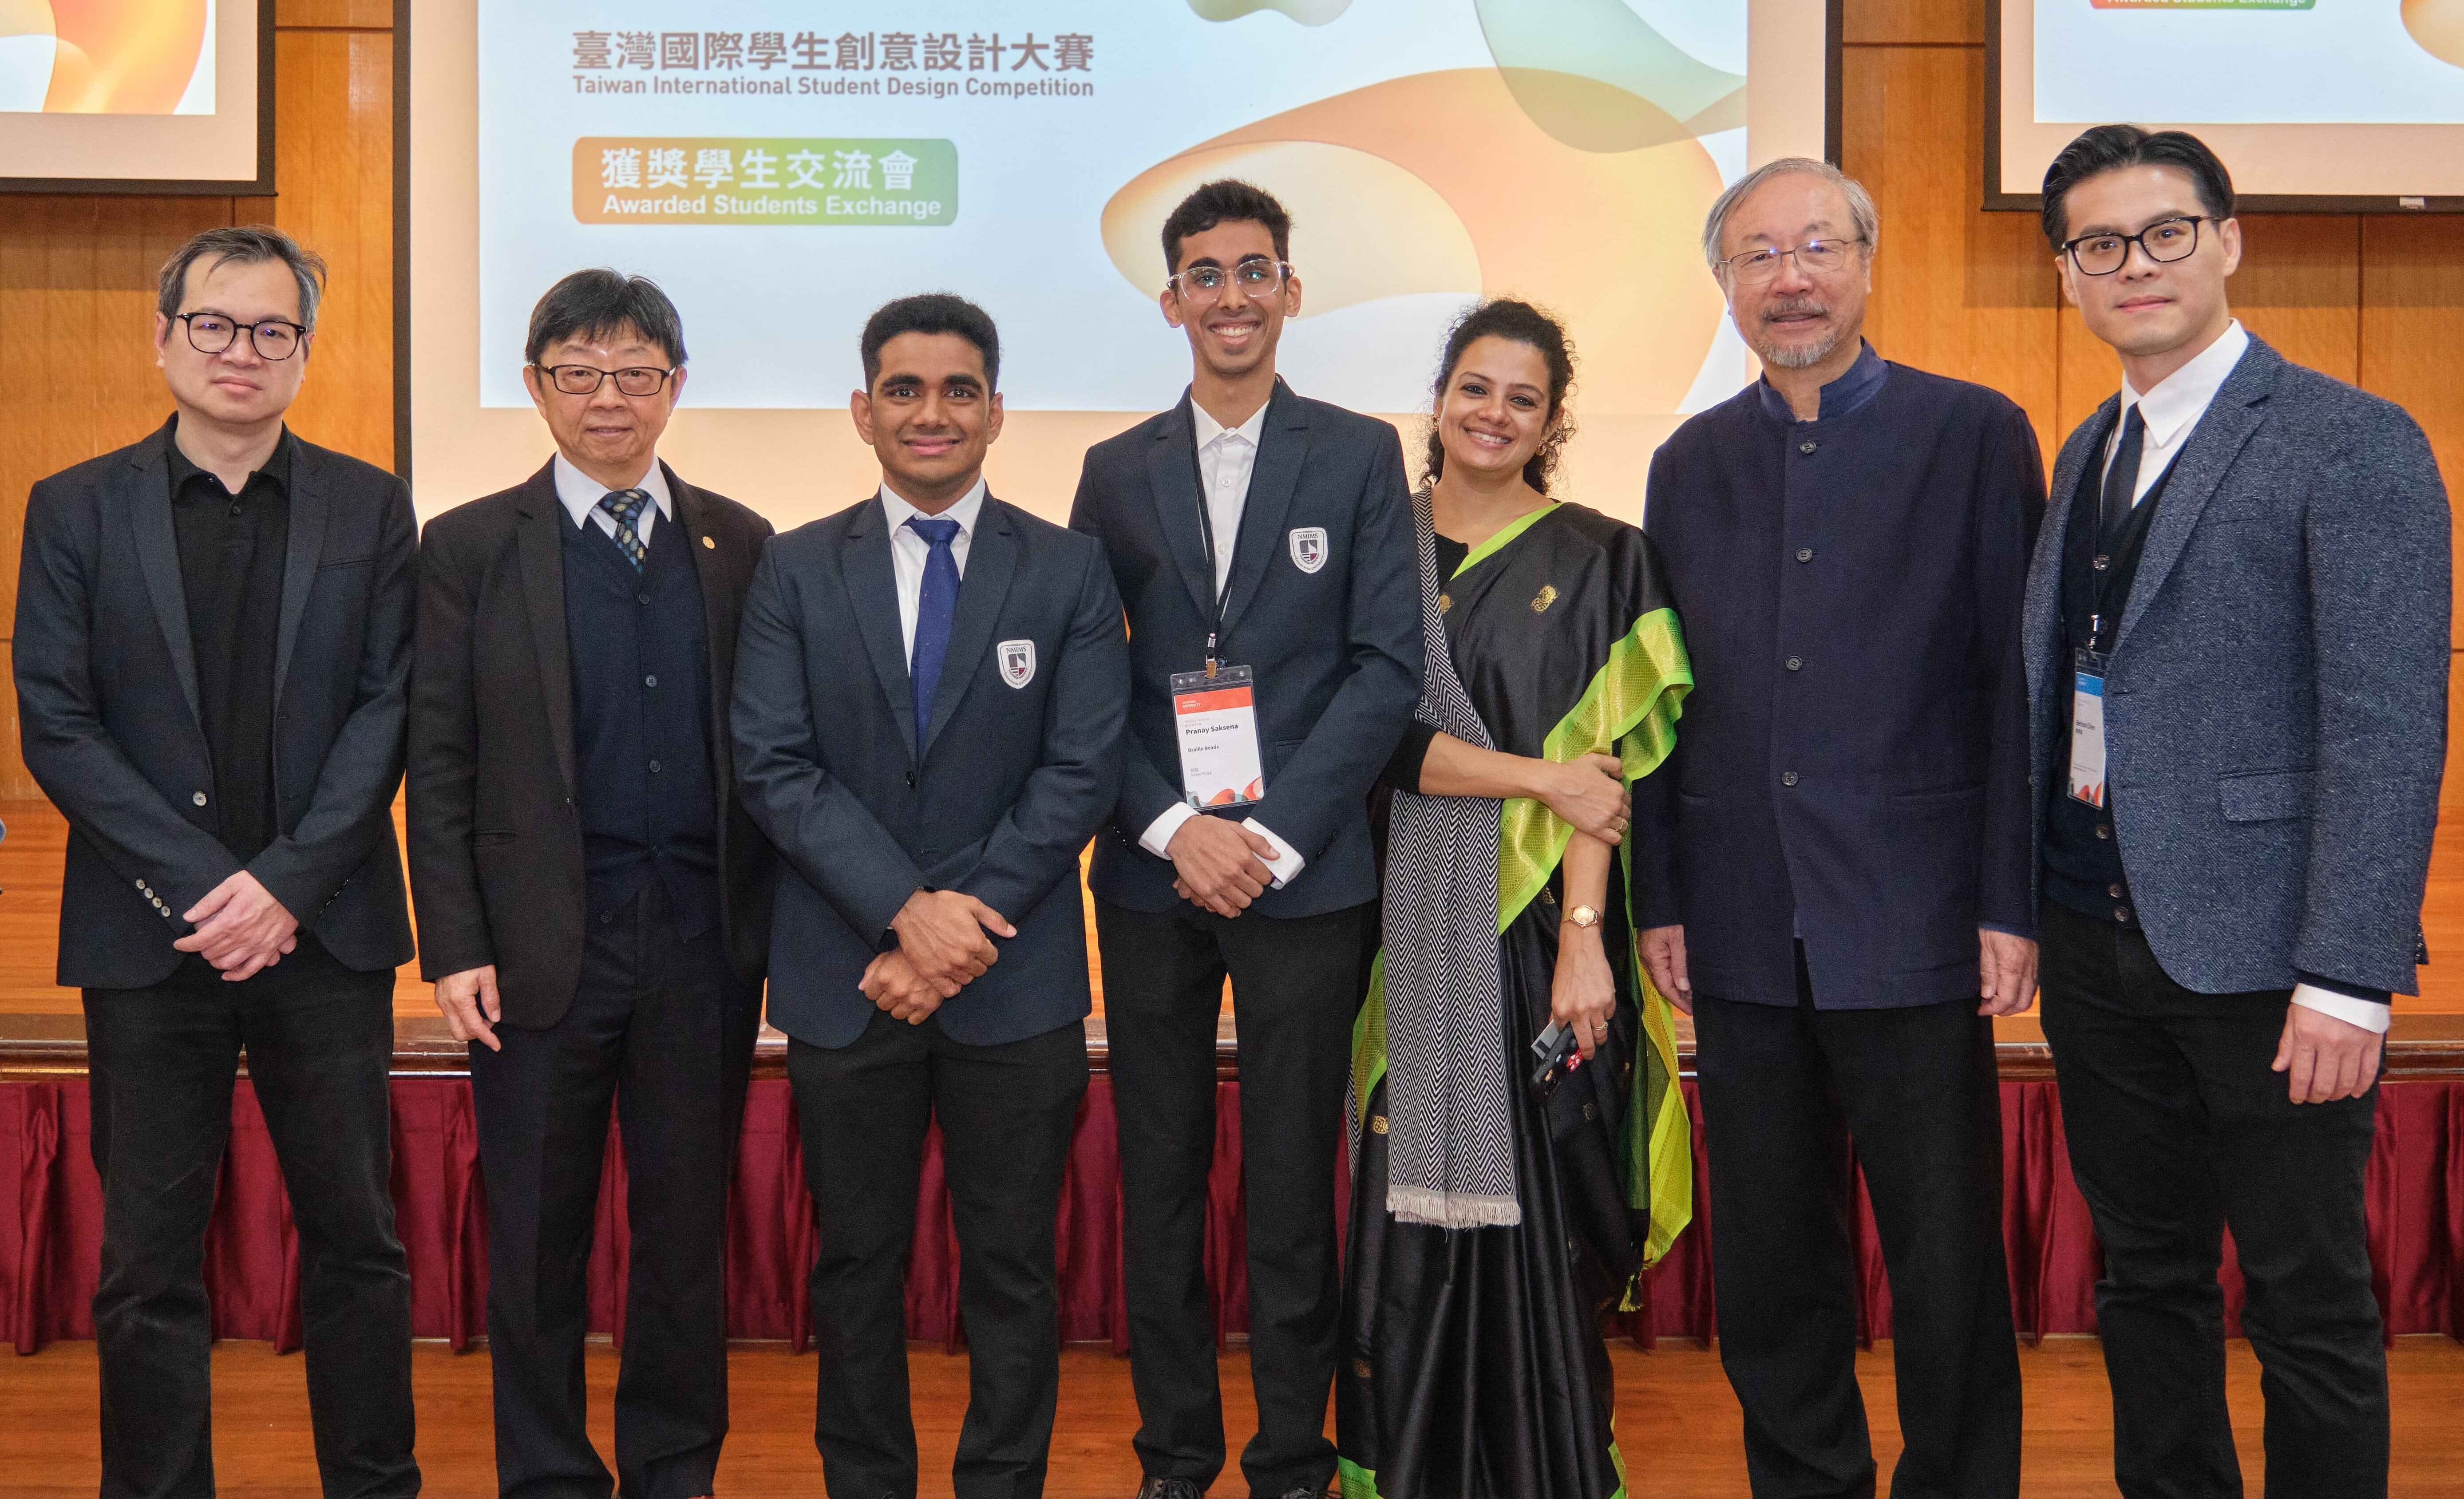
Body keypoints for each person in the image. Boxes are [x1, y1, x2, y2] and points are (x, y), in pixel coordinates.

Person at [2024, 126, 2448, 1498]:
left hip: (2273, 962)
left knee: (2307, 1301)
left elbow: (2388, 721)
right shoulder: (2089, 448)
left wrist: (2351, 974)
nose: (2134, 265)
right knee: (2145, 1280)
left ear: (2228, 241)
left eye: (2165, 233)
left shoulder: (2350, 439)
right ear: (2068, 276)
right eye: (2099, 244)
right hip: (2093, 940)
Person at [1633, 157, 2042, 1499]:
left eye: (1817, 247)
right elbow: (1663, 698)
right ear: (1725, 285)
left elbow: (2016, 687)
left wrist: (2009, 900)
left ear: (1868, 265)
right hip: (1743, 920)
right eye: (1758, 255)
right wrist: (1660, 894)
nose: (1790, 278)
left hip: (1917, 917)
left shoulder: (1973, 433)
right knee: (1771, 1262)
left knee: (1945, 1257)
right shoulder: (1689, 463)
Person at [15, 225, 420, 1496]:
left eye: (272, 329)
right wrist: (207, 888)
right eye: (214, 324)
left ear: (303, 349)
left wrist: (285, 886)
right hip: (150, 939)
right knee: (147, 1262)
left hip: (327, 931)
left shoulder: (370, 505)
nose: (242, 349)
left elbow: (389, 710)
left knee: (358, 1242)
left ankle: (375, 1483)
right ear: (164, 337)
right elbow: (56, 723)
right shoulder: (74, 506)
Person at [732, 293, 1129, 1499]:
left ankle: (1002, 1484)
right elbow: (774, 763)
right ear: (863, 411)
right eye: (904, 390)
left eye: (960, 390)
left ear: (998, 412)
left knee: (1012, 1270)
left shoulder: (1067, 569)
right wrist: (905, 913)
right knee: (856, 1267)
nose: (932, 413)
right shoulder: (795, 566)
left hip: (1015, 983)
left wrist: (954, 930)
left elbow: (1081, 770)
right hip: (849, 976)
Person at [1068, 180, 1424, 1499]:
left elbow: (1385, 669)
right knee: (1159, 1179)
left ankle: (1290, 1458)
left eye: (1255, 270)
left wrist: (1267, 837)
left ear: (1291, 290)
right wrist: (1176, 830)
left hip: (1305, 878)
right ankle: (1175, 1453)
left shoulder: (1361, 453)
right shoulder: (1116, 471)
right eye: (1206, 274)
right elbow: (1082, 684)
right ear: (1172, 301)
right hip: (1153, 879)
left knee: (1289, 1184)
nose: (1233, 294)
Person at [407, 270, 775, 1499]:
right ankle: (549, 1476)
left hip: (701, 946)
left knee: (683, 1235)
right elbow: (440, 759)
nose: (607, 397)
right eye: (578, 372)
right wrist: (454, 943)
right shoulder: (469, 547)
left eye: (634, 373)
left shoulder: (740, 543)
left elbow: (772, 755)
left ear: (676, 385)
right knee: (536, 1237)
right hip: (534, 952)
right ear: (534, 386)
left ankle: (674, 1469)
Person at [1336, 299, 1693, 1499]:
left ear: (1553, 422)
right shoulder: (1372, 547)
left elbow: (1606, 772)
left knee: (1541, 1204)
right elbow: (1371, 742)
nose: (1494, 414)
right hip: (1392, 923)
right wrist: (1536, 776)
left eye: (1523, 399)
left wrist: (1585, 940)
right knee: (1400, 1207)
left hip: (1539, 930)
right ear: (1440, 399)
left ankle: (1544, 1469)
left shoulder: (1602, 557)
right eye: (1475, 389)